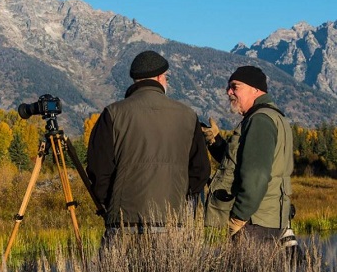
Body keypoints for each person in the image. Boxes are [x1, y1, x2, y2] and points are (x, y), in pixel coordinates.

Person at [86, 50, 210, 234]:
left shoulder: (113, 113)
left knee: (121, 264)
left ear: (136, 80)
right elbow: (200, 171)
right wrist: (182, 205)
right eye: (166, 78)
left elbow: (98, 169)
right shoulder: (188, 115)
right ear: (160, 77)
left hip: (124, 221)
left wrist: (111, 204)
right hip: (173, 221)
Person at [202, 65, 296, 244]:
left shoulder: (259, 121)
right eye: (228, 87)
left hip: (255, 223)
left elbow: (256, 175)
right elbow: (239, 163)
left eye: (235, 86)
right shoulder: (270, 117)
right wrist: (215, 141)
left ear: (255, 89)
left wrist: (238, 217)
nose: (229, 92)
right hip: (265, 221)